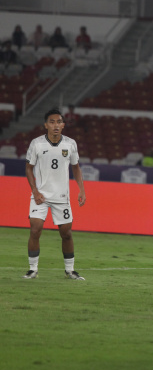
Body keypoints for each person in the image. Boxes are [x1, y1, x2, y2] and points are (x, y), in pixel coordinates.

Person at [24, 108, 87, 280]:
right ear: (46, 125)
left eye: (59, 122)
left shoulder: (70, 144)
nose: (56, 125)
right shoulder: (36, 144)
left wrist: (81, 189)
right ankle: (33, 270)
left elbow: (76, 167)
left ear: (63, 125)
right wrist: (35, 191)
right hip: (41, 197)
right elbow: (29, 169)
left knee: (66, 233)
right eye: (52, 122)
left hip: (61, 198)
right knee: (35, 229)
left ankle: (70, 271)